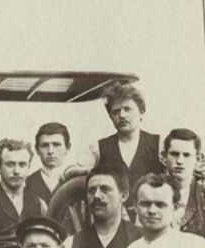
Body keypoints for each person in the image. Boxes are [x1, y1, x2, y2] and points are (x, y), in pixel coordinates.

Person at [65, 81, 162, 220]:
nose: (122, 115)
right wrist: (90, 170)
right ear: (111, 117)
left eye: (127, 109)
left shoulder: (159, 144)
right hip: (115, 225)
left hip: (152, 221)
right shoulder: (98, 147)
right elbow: (69, 172)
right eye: (116, 111)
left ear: (141, 112)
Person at [162, 128, 205, 234]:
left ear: (197, 159)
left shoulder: (203, 192)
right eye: (174, 154)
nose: (180, 161)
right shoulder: (151, 190)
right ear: (164, 157)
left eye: (186, 155)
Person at [26, 122, 71, 204]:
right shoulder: (26, 184)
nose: (50, 151)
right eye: (44, 145)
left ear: (67, 148)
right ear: (37, 150)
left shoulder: (75, 181)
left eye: (56, 145)